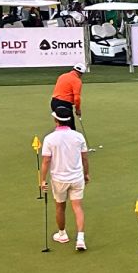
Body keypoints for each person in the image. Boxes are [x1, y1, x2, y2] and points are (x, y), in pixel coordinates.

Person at [40, 103, 91, 252]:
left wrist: (42, 180)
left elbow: (45, 161)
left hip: (59, 179)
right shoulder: (78, 136)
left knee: (60, 206)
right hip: (77, 177)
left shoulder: (49, 139)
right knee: (77, 206)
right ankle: (80, 238)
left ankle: (62, 234)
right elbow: (85, 158)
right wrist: (86, 174)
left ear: (56, 120)